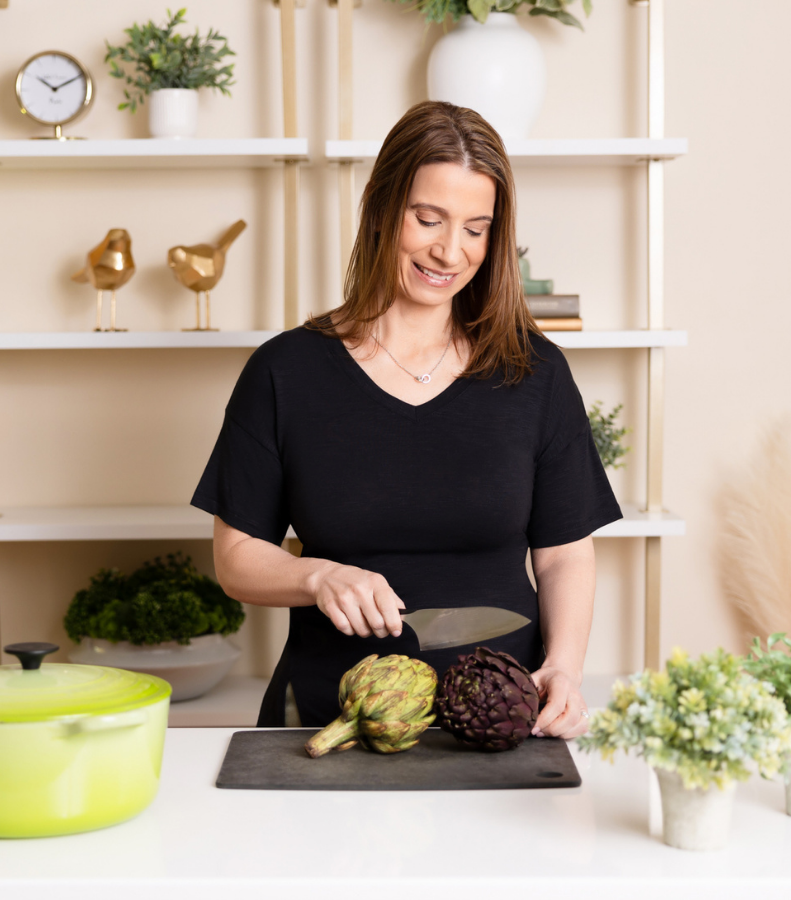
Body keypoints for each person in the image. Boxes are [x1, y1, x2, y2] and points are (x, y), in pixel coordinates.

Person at [191, 101, 621, 737]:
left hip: (498, 723)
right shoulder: (286, 371)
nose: (450, 251)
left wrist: (563, 666)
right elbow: (236, 558)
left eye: (476, 228)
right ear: (381, 207)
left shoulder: (534, 372)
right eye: (429, 219)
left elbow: (563, 555)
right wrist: (318, 575)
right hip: (325, 721)